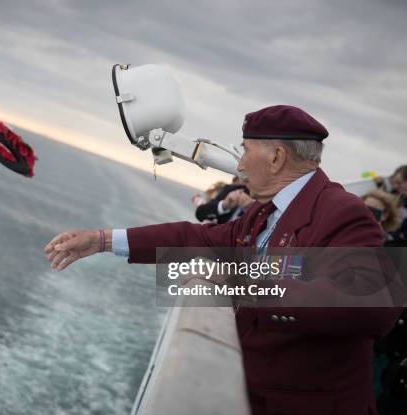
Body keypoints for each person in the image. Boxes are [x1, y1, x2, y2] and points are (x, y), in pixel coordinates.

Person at [44, 105, 401, 415]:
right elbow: (193, 237)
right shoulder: (264, 213)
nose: (241, 164)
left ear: (276, 157)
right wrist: (103, 240)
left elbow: (374, 302)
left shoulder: (343, 212)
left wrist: (243, 281)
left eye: (245, 151)